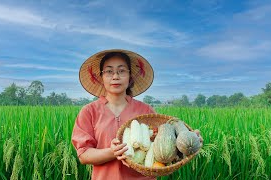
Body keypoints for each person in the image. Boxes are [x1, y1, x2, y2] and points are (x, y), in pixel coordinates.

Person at [71, 49, 202, 180]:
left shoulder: (146, 111)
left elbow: (165, 149)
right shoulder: (89, 112)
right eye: (109, 71)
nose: (115, 76)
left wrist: (188, 142)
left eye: (121, 71)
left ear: (130, 76)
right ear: (101, 77)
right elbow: (84, 155)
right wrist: (112, 152)